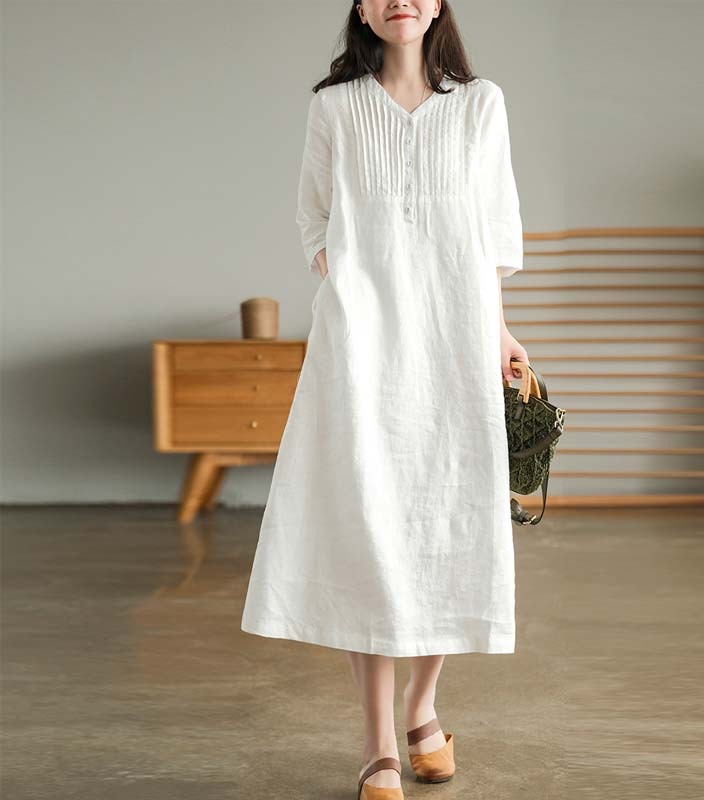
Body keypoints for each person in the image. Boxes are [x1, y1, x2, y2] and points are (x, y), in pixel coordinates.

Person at [241, 2, 529, 797]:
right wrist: (348, 287)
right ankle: (378, 745)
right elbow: (313, 217)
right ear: (363, 9)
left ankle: (422, 707)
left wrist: (499, 331)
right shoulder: (334, 106)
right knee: (367, 524)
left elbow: (494, 229)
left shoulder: (480, 104)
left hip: (454, 339)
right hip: (360, 346)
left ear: (436, 5)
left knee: (447, 518)